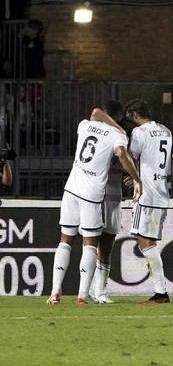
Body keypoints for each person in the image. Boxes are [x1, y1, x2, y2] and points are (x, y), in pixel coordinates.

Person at [47, 104, 142, 305]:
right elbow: (122, 154)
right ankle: (83, 295)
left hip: (71, 188)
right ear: (117, 118)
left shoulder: (85, 125)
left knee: (65, 241)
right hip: (91, 194)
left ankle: (55, 292)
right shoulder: (118, 136)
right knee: (90, 245)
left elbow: (95, 112)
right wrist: (137, 179)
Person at [125, 99, 173, 304]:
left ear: (136, 114)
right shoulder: (165, 131)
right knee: (149, 241)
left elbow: (131, 157)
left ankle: (161, 290)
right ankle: (160, 291)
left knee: (144, 241)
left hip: (146, 195)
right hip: (162, 195)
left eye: (130, 118)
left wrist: (134, 177)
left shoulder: (139, 133)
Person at [89, 101, 135, 304]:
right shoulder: (96, 134)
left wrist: (132, 175)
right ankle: (90, 290)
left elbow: (128, 159)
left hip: (111, 196)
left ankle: (97, 290)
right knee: (97, 247)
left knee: (101, 247)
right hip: (97, 196)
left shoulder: (123, 137)